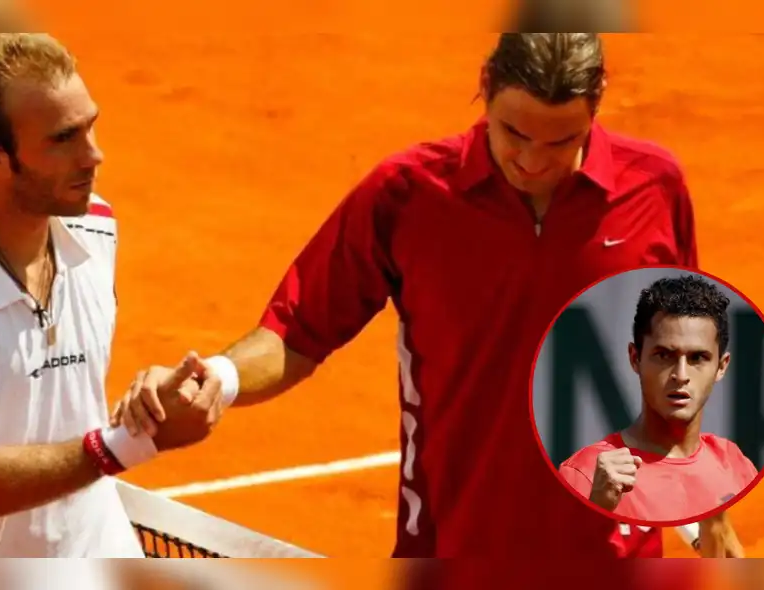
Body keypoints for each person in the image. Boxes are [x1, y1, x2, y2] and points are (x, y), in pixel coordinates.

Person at [114, 33, 723, 559]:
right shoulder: (408, 195)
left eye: (561, 142)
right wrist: (218, 377)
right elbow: (298, 329)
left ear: (598, 105)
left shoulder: (655, 187)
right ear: (484, 86)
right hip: (450, 552)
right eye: (514, 132)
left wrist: (706, 504)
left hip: (613, 558)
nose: (533, 161)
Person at [0, 33, 220, 558]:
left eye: (90, 126)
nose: (93, 155)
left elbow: (66, 395)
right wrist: (129, 443)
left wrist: (145, 405)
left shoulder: (95, 228)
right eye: (63, 139)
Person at [558, 274, 760, 523]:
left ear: (721, 366)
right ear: (635, 358)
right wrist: (597, 510)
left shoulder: (737, 466)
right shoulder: (586, 475)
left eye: (698, 358)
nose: (681, 375)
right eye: (664, 355)